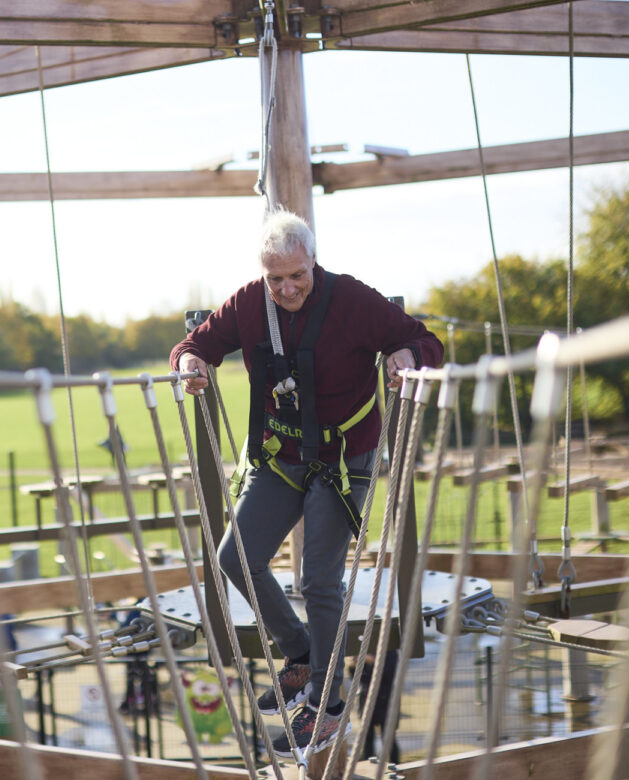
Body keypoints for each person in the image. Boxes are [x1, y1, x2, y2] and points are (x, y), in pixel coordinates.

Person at [169, 208, 442, 759]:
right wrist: (192, 361)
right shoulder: (248, 302)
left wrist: (406, 354)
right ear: (263, 273)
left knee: (320, 580)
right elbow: (195, 344)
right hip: (281, 457)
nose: (287, 288)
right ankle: (298, 656)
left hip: (343, 460)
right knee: (234, 557)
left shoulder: (354, 302)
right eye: (276, 279)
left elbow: (423, 342)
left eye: (297, 275)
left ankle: (328, 702)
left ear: (313, 263)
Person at [349, 650, 401, 763]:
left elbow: (389, 673)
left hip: (386, 700)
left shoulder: (390, 650)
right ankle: (368, 765)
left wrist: (371, 660)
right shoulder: (364, 647)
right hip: (366, 699)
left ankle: (396, 766)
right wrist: (353, 665)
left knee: (388, 739)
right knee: (367, 739)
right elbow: (355, 677)